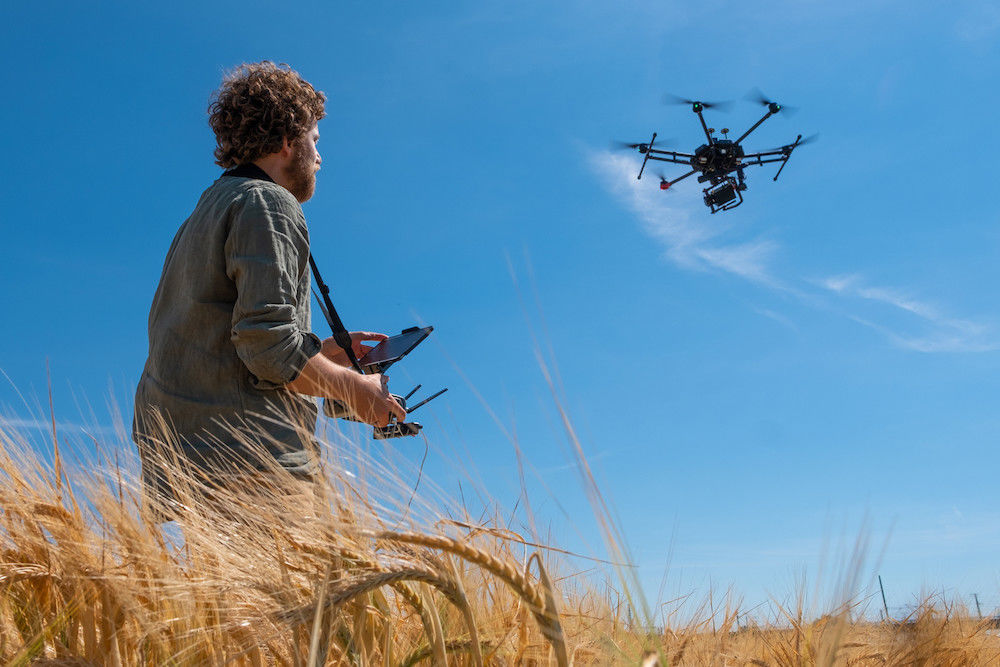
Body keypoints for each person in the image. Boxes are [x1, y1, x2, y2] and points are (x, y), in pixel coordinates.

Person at [132, 62, 404, 518]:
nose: (319, 157)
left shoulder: (200, 217)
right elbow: (269, 348)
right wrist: (357, 390)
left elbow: (224, 343)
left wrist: (327, 355)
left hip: (187, 461)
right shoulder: (268, 202)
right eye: (315, 141)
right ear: (287, 140)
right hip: (255, 464)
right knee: (312, 592)